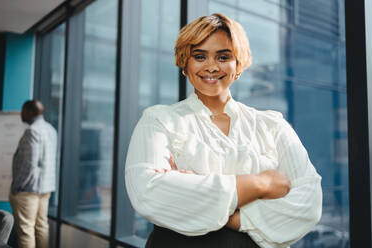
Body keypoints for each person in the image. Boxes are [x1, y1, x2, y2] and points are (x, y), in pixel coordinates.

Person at [125, 13, 322, 248]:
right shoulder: (159, 120)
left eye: (223, 56)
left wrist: (223, 212)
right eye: (199, 56)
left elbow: (308, 204)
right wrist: (260, 184)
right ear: (185, 62)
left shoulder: (272, 125)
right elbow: (148, 193)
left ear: (237, 64)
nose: (211, 66)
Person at [9, 100, 57, 248]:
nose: (21, 113)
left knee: (25, 231)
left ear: (31, 112)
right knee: (42, 227)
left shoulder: (32, 131)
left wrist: (17, 187)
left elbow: (29, 164)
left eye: (23, 110)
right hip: (45, 188)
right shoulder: (50, 129)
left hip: (28, 190)